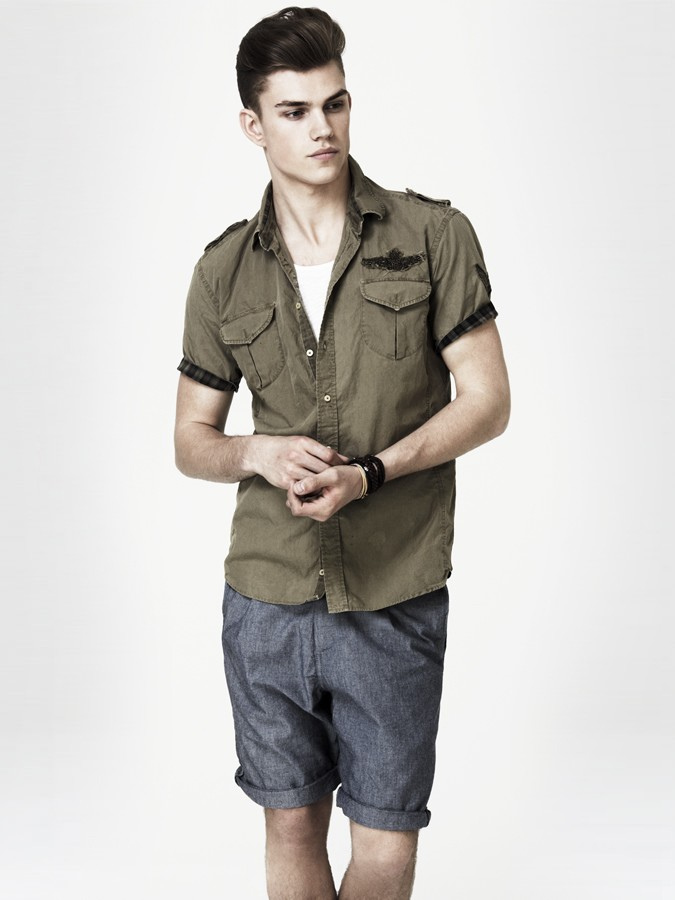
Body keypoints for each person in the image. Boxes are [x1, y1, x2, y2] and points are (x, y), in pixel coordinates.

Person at [174, 6, 510, 898]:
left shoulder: (431, 236)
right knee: (289, 824)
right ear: (253, 125)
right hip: (266, 595)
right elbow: (190, 441)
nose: (321, 127)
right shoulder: (222, 271)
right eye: (293, 111)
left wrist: (372, 473)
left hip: (392, 589)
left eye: (335, 103)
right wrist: (256, 453)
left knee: (386, 841)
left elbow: (487, 402)